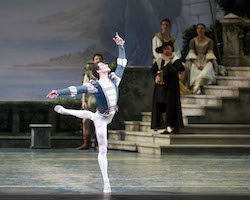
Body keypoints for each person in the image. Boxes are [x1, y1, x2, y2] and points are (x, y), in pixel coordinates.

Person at [46, 33, 127, 193]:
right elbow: (77, 89)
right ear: (99, 70)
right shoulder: (95, 86)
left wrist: (121, 46)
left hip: (109, 114)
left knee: (90, 115)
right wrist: (59, 93)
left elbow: (122, 64)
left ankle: (65, 110)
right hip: (103, 119)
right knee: (103, 148)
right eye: (103, 65)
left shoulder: (114, 80)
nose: (105, 65)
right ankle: (106, 182)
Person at [151, 41, 184, 134]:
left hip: (171, 89)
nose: (166, 51)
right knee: (161, 107)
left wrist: (168, 63)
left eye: (168, 48)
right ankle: (163, 125)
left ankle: (171, 126)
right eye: (164, 49)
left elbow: (176, 72)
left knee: (171, 106)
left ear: (171, 49)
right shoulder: (159, 60)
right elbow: (153, 71)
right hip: (161, 89)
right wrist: (156, 77)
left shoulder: (175, 60)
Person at [78, 53, 103, 150]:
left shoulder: (105, 73)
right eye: (97, 59)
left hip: (101, 100)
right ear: (94, 61)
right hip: (91, 100)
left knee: (99, 121)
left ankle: (98, 143)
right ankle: (86, 143)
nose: (98, 60)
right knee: (85, 121)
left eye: (100, 59)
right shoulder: (88, 74)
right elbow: (84, 88)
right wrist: (83, 101)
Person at [185, 23, 216, 94]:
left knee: (207, 69)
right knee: (194, 69)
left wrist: (204, 63)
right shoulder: (193, 41)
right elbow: (191, 53)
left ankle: (197, 86)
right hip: (196, 59)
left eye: (201, 28)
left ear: (204, 30)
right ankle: (196, 87)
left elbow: (210, 53)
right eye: (198, 28)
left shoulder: (209, 41)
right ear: (196, 30)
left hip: (206, 59)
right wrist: (197, 64)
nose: (200, 30)